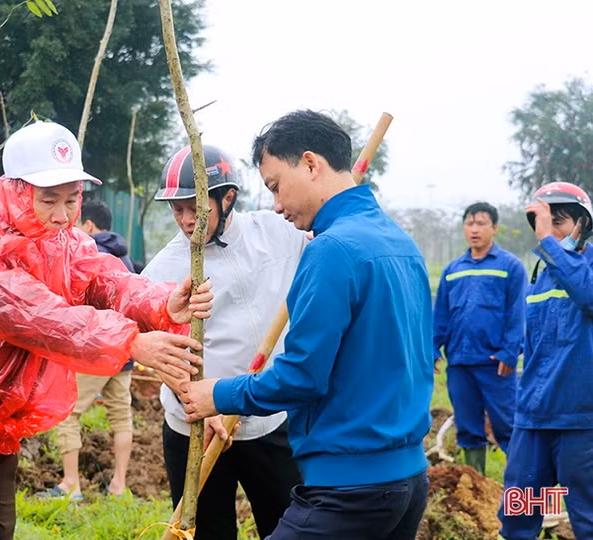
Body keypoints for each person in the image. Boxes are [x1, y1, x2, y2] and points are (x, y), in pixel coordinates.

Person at [0, 121, 214, 540]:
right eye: (49, 199)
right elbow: (36, 317)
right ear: (17, 191)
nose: (62, 214)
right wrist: (129, 340)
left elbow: (103, 280)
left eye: (72, 199)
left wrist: (161, 304)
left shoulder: (63, 241)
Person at [179, 110, 433, 540]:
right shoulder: (398, 241)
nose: (276, 206)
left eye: (277, 186)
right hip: (408, 478)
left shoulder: (333, 250)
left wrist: (218, 394)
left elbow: (302, 377)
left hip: (351, 488)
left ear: (311, 164)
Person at [142, 144, 305, 539]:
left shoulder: (275, 234)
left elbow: (328, 243)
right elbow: (151, 343)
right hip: (194, 428)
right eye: (175, 209)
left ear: (227, 197)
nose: (184, 220)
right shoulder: (164, 268)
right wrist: (192, 397)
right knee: (205, 532)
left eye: (193, 207)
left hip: (268, 421)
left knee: (289, 526)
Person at [498, 182, 593, 540]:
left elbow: (588, 295)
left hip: (580, 421)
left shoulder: (586, 268)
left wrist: (550, 246)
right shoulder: (538, 278)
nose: (550, 233)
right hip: (533, 421)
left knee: (586, 518)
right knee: (520, 516)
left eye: (560, 222)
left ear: (584, 223)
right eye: (544, 223)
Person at [432, 202, 527, 474]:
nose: (475, 230)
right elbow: (441, 315)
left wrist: (510, 353)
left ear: (494, 228)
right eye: (470, 223)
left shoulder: (509, 266)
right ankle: (477, 487)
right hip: (460, 362)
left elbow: (516, 313)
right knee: (468, 428)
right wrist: (433, 349)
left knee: (507, 426)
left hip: (496, 363)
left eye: (481, 223)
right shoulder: (453, 269)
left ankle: (520, 487)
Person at [51, 199, 136, 499]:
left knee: (67, 414)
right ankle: (119, 484)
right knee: (121, 416)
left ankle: (70, 485)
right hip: (127, 351)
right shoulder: (124, 257)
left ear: (87, 225)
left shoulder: (92, 255)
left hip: (99, 353)